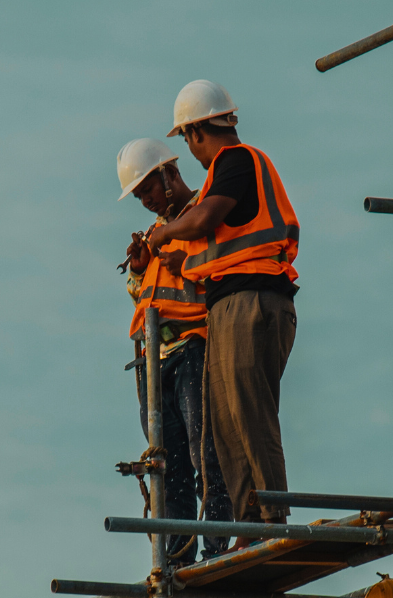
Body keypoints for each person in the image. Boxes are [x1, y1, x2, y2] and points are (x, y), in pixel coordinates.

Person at [146, 80, 300, 549]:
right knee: (226, 425)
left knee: (249, 416)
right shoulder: (228, 170)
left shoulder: (236, 161)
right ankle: (245, 524)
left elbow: (203, 219)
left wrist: (162, 236)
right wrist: (184, 260)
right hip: (231, 303)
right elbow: (221, 244)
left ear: (194, 132)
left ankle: (271, 518)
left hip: (252, 302)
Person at [116, 138, 233, 563]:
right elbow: (143, 295)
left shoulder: (204, 211)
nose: (145, 200)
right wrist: (136, 268)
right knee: (170, 467)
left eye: (147, 188)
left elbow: (213, 270)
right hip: (153, 359)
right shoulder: (154, 233)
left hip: (193, 347)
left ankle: (218, 548)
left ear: (170, 174)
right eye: (139, 194)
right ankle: (178, 556)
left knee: (207, 451)